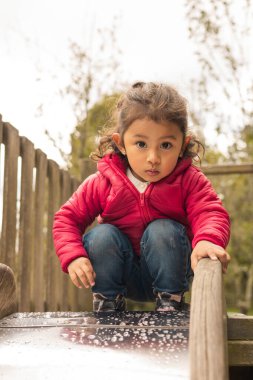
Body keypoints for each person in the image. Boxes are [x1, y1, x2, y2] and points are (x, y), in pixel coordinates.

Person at [53, 82, 230, 313]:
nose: (153, 158)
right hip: (120, 274)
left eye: (166, 145)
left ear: (182, 145)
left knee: (162, 229)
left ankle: (170, 303)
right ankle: (107, 303)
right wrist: (73, 256)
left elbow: (210, 212)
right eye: (141, 144)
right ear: (121, 144)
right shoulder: (104, 182)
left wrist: (207, 239)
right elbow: (67, 218)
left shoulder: (189, 180)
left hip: (171, 272)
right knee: (101, 235)